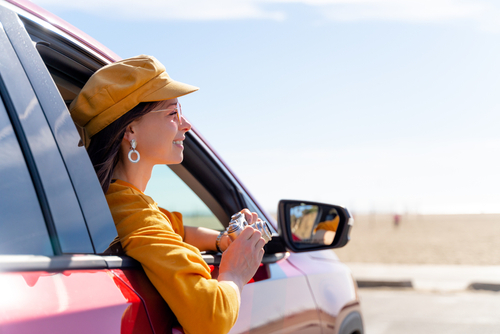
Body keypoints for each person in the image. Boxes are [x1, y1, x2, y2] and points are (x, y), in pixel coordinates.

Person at [69, 55, 266, 334]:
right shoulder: (133, 214)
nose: (186, 125)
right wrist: (234, 272)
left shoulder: (121, 201)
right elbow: (211, 317)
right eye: (173, 113)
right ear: (131, 129)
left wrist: (223, 240)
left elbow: (176, 230)